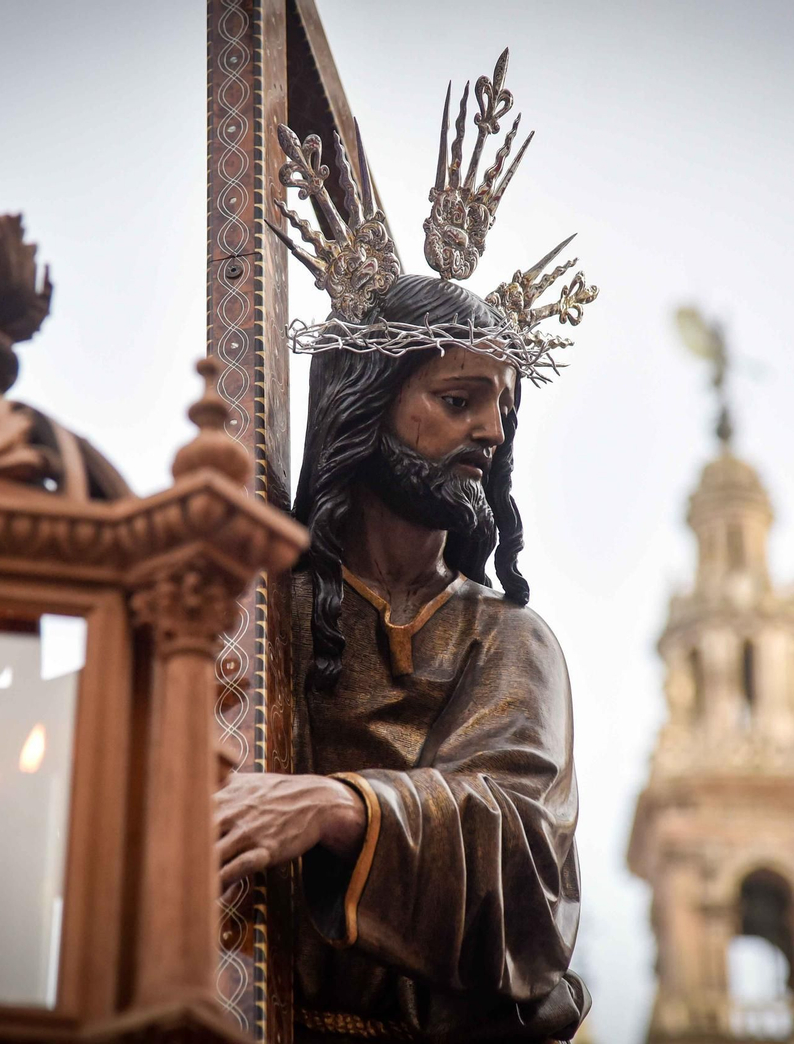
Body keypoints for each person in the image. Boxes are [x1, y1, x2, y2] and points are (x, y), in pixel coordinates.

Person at [215, 50, 598, 1043]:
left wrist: (337, 807)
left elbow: (529, 853)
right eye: (457, 400)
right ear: (365, 407)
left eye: (501, 409)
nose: (490, 433)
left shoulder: (507, 642)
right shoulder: (258, 615)